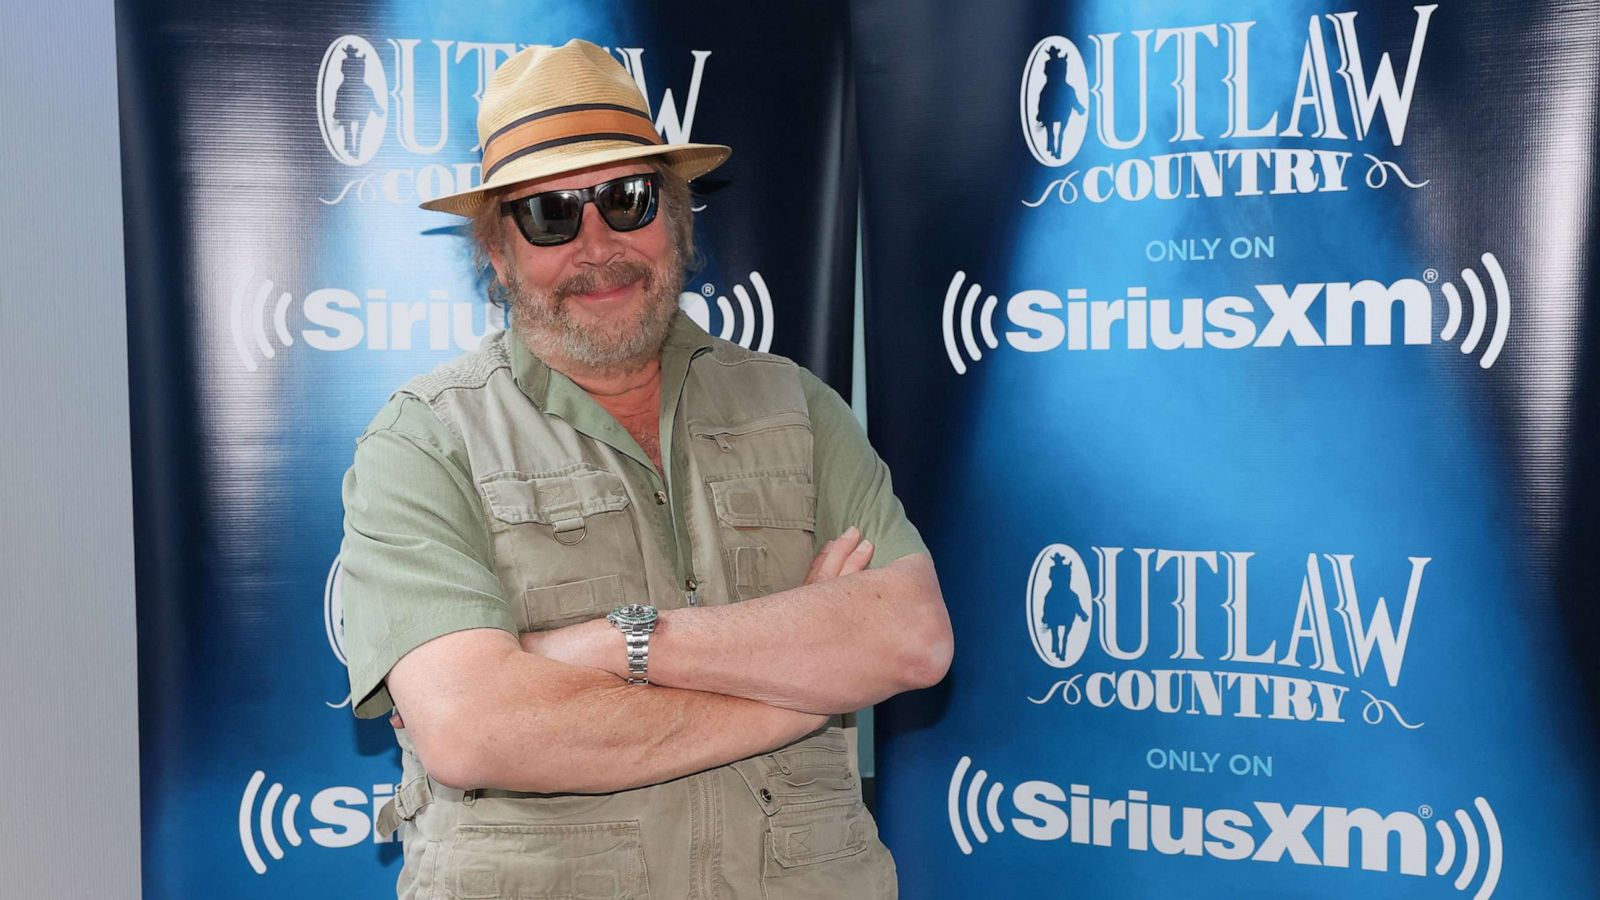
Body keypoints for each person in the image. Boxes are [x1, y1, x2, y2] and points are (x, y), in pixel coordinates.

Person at [338, 39, 952, 899]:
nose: (597, 244)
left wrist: (617, 646)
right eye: (550, 214)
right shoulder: (423, 443)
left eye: (627, 199)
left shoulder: (798, 407)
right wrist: (804, 696)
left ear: (675, 219)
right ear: (498, 251)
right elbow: (474, 729)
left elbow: (910, 638)